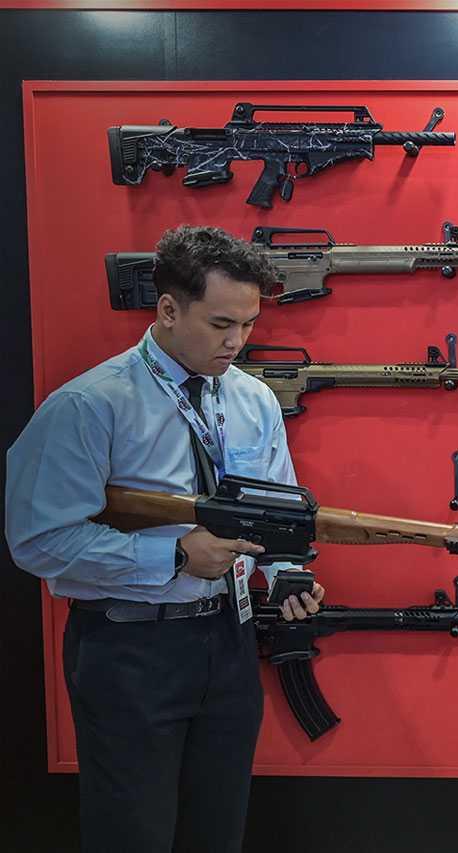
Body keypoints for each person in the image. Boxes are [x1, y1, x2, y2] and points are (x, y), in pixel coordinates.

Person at [5, 225, 325, 852]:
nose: (236, 341)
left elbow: (275, 516)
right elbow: (37, 542)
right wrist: (175, 553)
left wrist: (285, 576)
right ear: (169, 309)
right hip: (130, 649)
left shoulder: (255, 400)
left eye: (250, 324)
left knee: (217, 833)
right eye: (220, 323)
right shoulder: (89, 406)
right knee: (134, 836)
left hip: (229, 645)